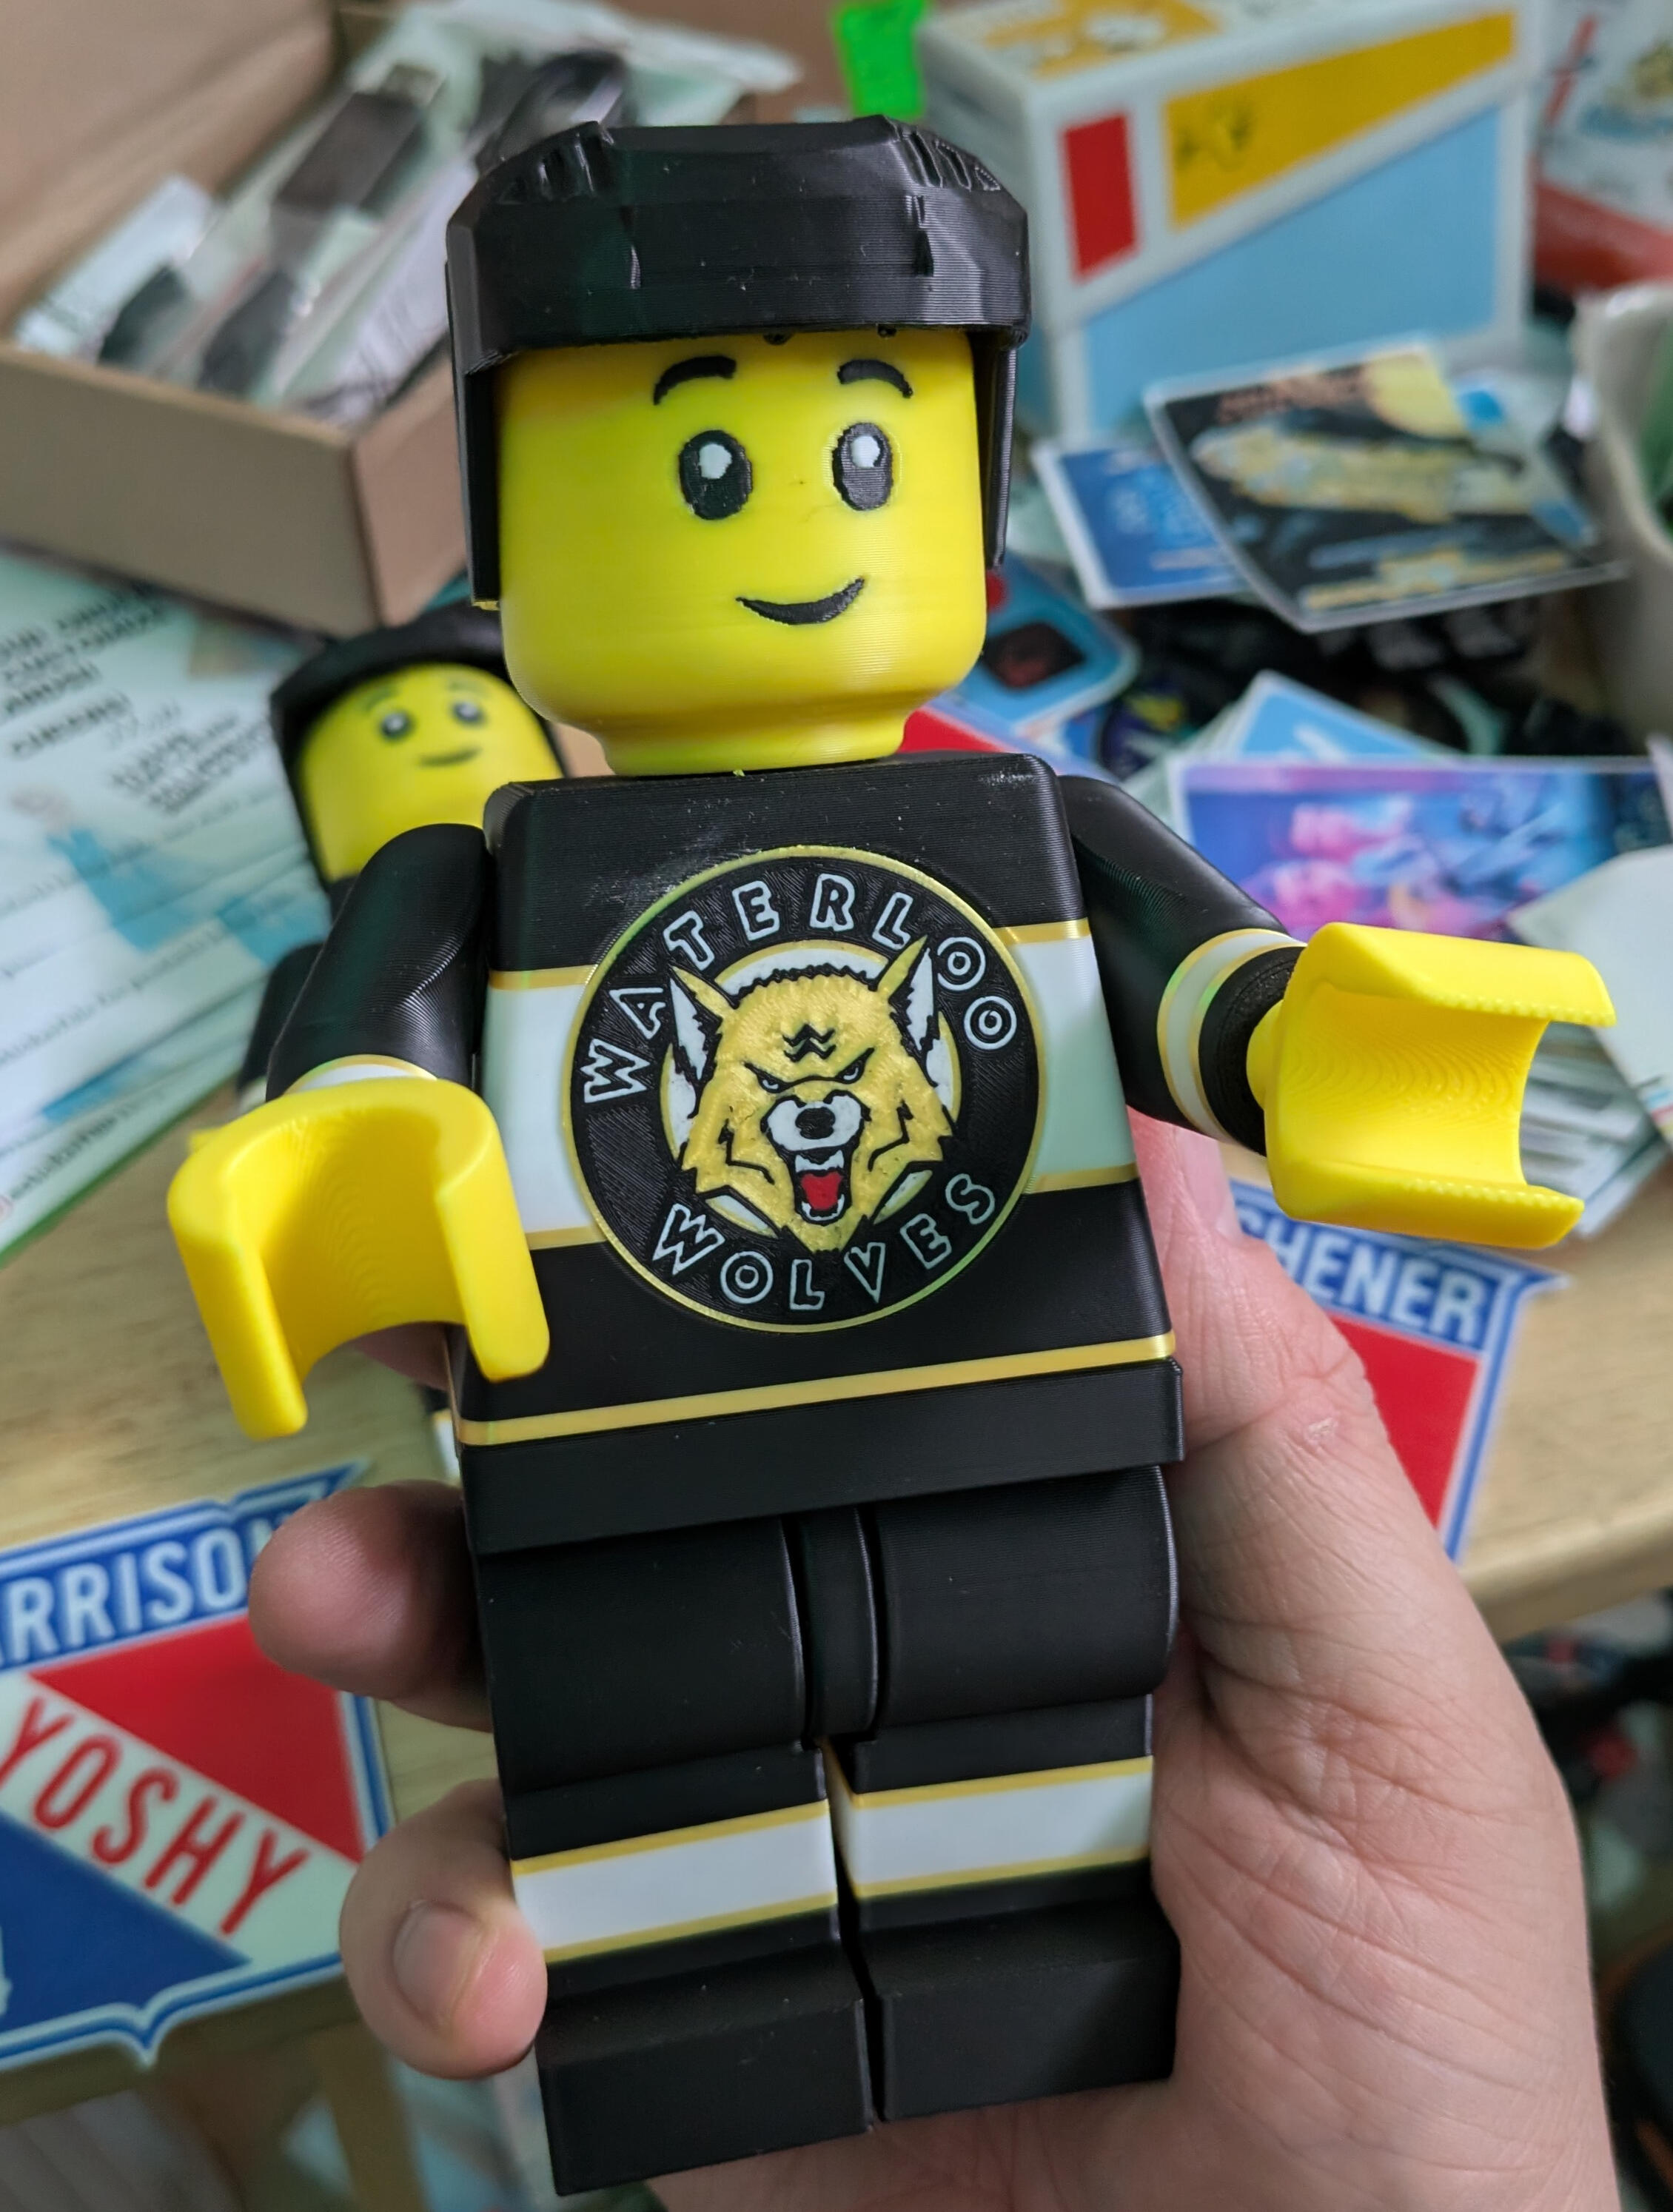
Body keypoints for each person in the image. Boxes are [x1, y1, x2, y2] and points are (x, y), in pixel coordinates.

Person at [249, 1110, 1616, 2211]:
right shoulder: (489, 898)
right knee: (640, 1732)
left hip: (988, 1376)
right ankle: (699, 2044)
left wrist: (1285, 1025)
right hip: (618, 1407)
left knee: (1012, 1692)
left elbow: (1188, 976)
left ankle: (924, 2007)